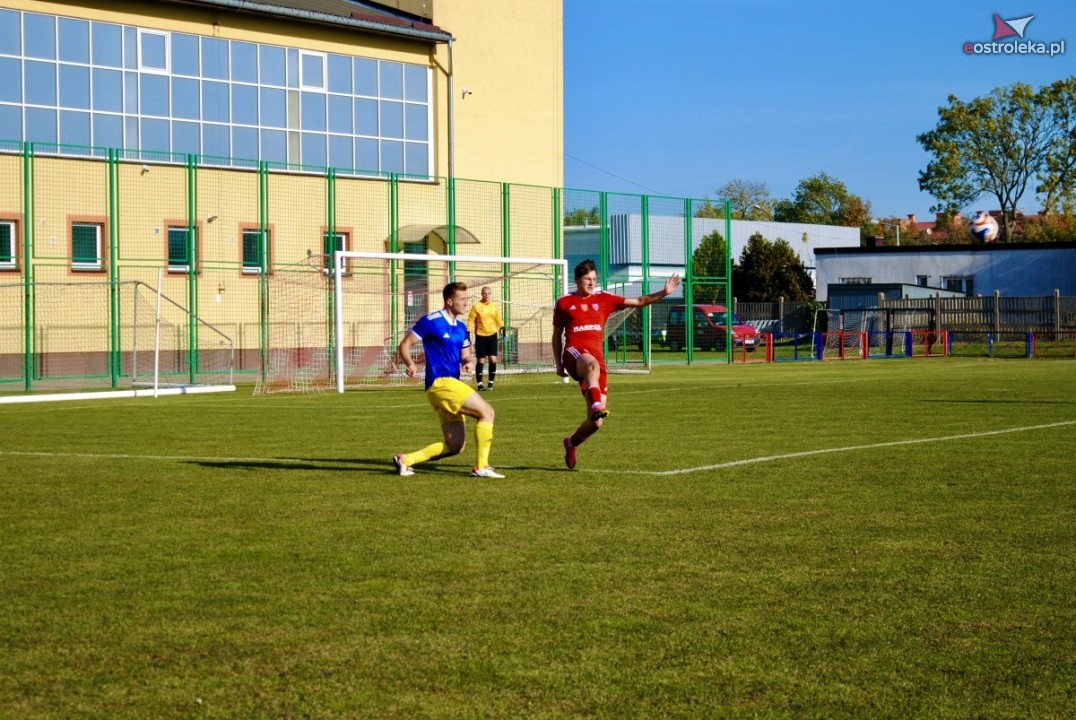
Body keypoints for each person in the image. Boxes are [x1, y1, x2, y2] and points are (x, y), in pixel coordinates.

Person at [552, 259, 681, 470]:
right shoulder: (564, 303)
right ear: (577, 280)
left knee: (596, 423)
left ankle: (571, 443)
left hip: (597, 361)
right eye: (587, 279)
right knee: (591, 366)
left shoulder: (604, 299)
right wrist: (558, 364)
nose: (592, 283)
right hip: (574, 354)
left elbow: (638, 301)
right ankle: (596, 404)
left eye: (594, 279)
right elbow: (557, 335)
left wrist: (664, 292)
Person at [393, 281, 505, 478]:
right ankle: (481, 466)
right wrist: (409, 363)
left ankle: (405, 460)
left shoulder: (461, 328)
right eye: (462, 299)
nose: (466, 303)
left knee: (455, 446)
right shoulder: (431, 321)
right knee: (487, 412)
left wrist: (468, 362)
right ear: (449, 301)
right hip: (440, 383)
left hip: (449, 385)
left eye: (466, 299)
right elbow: (405, 344)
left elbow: (466, 354)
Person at [466, 286, 505, 390]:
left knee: (493, 359)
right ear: (481, 294)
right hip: (481, 336)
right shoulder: (476, 306)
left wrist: (502, 327)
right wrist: (468, 331)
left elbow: (498, 319)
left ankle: (490, 383)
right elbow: (470, 320)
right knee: (481, 360)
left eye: (488, 293)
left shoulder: (494, 306)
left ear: (490, 294)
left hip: (492, 335)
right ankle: (479, 384)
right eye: (484, 293)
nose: (486, 295)